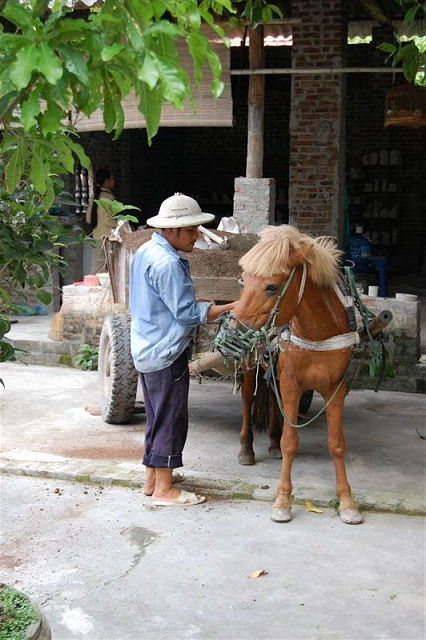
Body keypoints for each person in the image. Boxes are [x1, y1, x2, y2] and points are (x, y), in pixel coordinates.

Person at [129, 193, 235, 507]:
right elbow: (188, 313)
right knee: (171, 418)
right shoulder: (169, 263)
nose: (196, 236)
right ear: (172, 231)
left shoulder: (146, 250)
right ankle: (165, 490)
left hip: (147, 347)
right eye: (191, 230)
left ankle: (153, 480)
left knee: (156, 416)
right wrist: (231, 307)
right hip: (166, 351)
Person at [85, 167, 116, 273]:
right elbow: (110, 220)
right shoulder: (108, 197)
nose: (113, 182)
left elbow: (88, 218)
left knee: (97, 266)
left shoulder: (95, 197)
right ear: (106, 181)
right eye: (112, 179)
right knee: (109, 266)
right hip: (107, 237)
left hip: (96, 236)